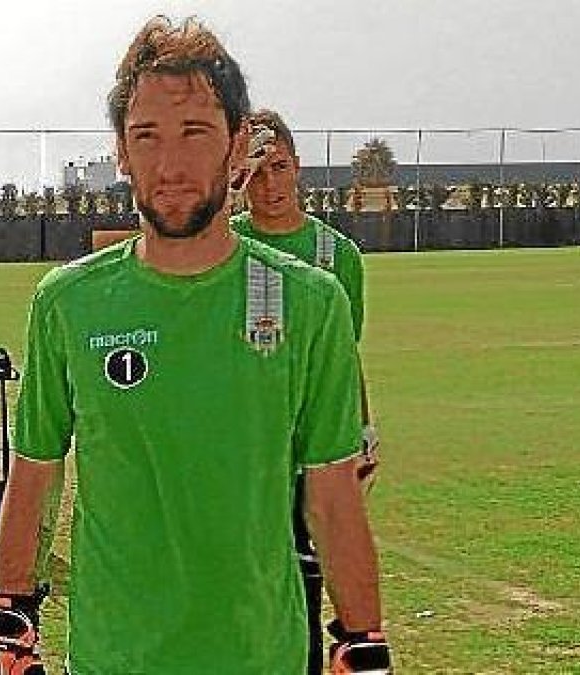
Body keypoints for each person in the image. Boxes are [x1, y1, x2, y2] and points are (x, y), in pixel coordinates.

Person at [0, 16, 390, 674]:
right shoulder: (68, 302)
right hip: (113, 657)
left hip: (262, 655)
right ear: (121, 151)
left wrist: (362, 641)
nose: (170, 164)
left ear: (236, 148)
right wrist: (11, 622)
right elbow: (35, 471)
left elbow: (332, 497)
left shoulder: (311, 302)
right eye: (146, 136)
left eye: (195, 133)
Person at [231, 108, 379, 673]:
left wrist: (362, 429)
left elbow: (345, 358)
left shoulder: (336, 255)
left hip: (311, 456)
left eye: (281, 168)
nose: (270, 185)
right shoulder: (220, 244)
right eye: (257, 172)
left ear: (299, 169)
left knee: (306, 586)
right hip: (239, 450)